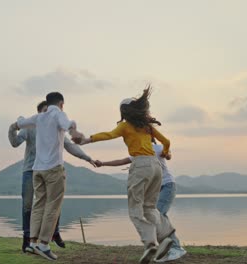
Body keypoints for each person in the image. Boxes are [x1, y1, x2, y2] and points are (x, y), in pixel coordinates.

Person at [75, 86, 175, 264]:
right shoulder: (147, 127)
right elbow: (166, 141)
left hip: (141, 166)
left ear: (123, 112)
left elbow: (108, 134)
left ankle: (150, 243)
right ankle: (165, 235)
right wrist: (165, 153)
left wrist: (87, 139)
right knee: (150, 207)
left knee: (135, 209)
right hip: (156, 167)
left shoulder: (125, 126)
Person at [8, 100, 95, 253]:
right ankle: (27, 239)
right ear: (40, 112)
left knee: (54, 203)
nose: (50, 114)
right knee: (28, 205)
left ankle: (55, 233)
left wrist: (88, 158)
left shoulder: (55, 126)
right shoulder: (31, 127)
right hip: (30, 170)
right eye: (46, 111)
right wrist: (12, 129)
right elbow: (15, 142)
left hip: (50, 169)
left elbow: (70, 146)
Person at [94, 140, 187, 262]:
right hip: (155, 188)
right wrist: (103, 163)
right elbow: (122, 161)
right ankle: (165, 248)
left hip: (167, 186)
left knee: (159, 214)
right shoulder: (138, 153)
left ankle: (176, 247)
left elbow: (168, 153)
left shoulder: (157, 147)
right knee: (152, 216)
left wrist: (167, 154)